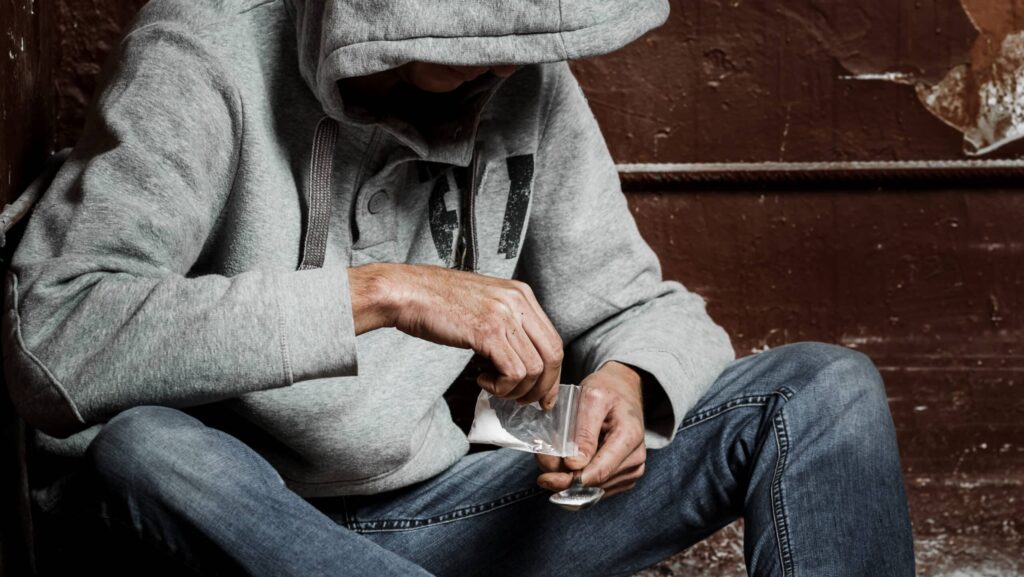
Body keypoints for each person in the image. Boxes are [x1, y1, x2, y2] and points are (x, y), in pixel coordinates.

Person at [1, 0, 916, 575]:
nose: (502, 63)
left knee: (824, 392)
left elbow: (642, 304)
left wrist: (628, 384)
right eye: (470, 38)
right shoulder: (203, 53)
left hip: (432, 510)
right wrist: (388, 292)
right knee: (144, 450)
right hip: (231, 524)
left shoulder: (518, 76)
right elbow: (54, 331)